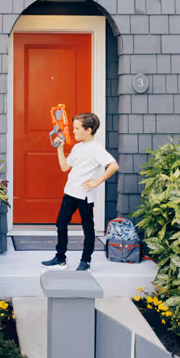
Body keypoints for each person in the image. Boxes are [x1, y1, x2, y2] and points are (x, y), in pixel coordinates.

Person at [42, 112, 118, 272]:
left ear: (88, 130)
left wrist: (97, 181)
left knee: (87, 228)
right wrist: (60, 148)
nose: (74, 131)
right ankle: (60, 258)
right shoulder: (77, 147)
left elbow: (113, 166)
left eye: (77, 128)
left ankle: (86, 261)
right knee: (61, 224)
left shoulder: (97, 149)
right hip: (70, 191)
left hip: (84, 195)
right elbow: (64, 167)